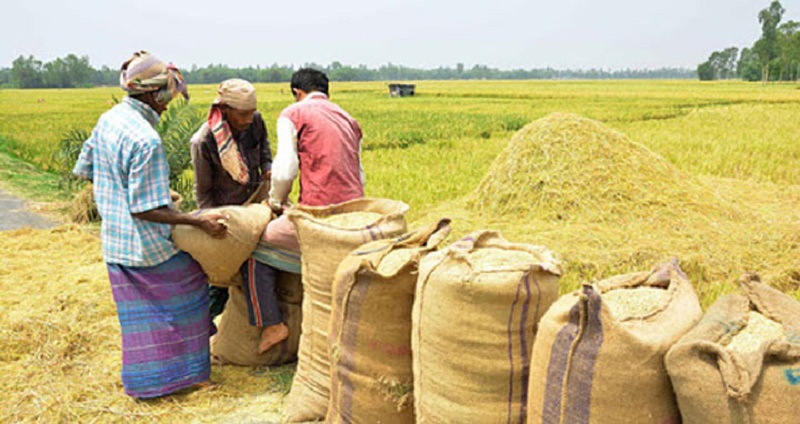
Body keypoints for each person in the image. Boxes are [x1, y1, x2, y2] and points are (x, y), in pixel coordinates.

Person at [72, 51, 227, 399]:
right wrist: (196, 220)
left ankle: (147, 382)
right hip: (146, 246)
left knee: (140, 318)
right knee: (191, 287)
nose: (167, 105)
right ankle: (193, 376)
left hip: (115, 241)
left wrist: (127, 190)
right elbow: (144, 210)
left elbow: (86, 168)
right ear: (152, 94)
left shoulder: (109, 119)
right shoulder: (146, 139)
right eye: (166, 97)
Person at [243, 68, 365, 354]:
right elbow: (359, 175)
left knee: (255, 249)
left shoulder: (294, 113)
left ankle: (272, 324)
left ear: (297, 92)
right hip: (354, 215)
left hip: (319, 216)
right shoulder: (349, 119)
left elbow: (285, 168)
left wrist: (275, 202)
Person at [190, 79, 271, 322]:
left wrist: (267, 168)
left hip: (255, 204)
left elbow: (265, 150)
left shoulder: (255, 123)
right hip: (225, 212)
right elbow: (203, 193)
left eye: (251, 114)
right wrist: (212, 224)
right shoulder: (203, 141)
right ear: (225, 111)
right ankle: (210, 324)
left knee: (259, 263)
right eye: (242, 115)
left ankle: (252, 316)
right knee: (222, 275)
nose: (248, 120)